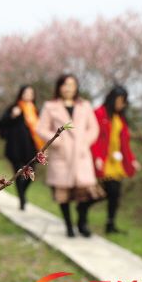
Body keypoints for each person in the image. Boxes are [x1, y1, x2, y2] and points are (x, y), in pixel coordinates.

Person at [37, 74, 104, 238]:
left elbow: (93, 128)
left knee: (86, 193)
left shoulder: (85, 106)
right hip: (62, 156)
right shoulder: (50, 106)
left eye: (72, 84)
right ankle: (68, 225)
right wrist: (57, 141)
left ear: (76, 87)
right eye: (65, 84)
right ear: (59, 87)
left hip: (81, 155)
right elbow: (41, 129)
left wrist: (84, 142)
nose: (68, 88)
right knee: (63, 195)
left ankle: (82, 222)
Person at [91, 86, 141, 234]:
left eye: (123, 102)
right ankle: (83, 209)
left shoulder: (120, 118)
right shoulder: (99, 113)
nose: (121, 105)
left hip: (116, 161)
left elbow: (124, 142)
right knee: (105, 191)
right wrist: (96, 156)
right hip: (103, 159)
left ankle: (110, 224)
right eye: (119, 101)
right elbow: (94, 137)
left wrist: (132, 160)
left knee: (115, 193)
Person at [0, 85, 44, 210]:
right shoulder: (14, 107)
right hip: (15, 147)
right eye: (26, 92)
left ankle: (22, 192)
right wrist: (12, 116)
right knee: (18, 173)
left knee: (32, 173)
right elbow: (1, 123)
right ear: (21, 94)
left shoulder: (35, 110)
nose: (28, 95)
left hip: (31, 147)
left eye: (31, 93)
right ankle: (22, 199)